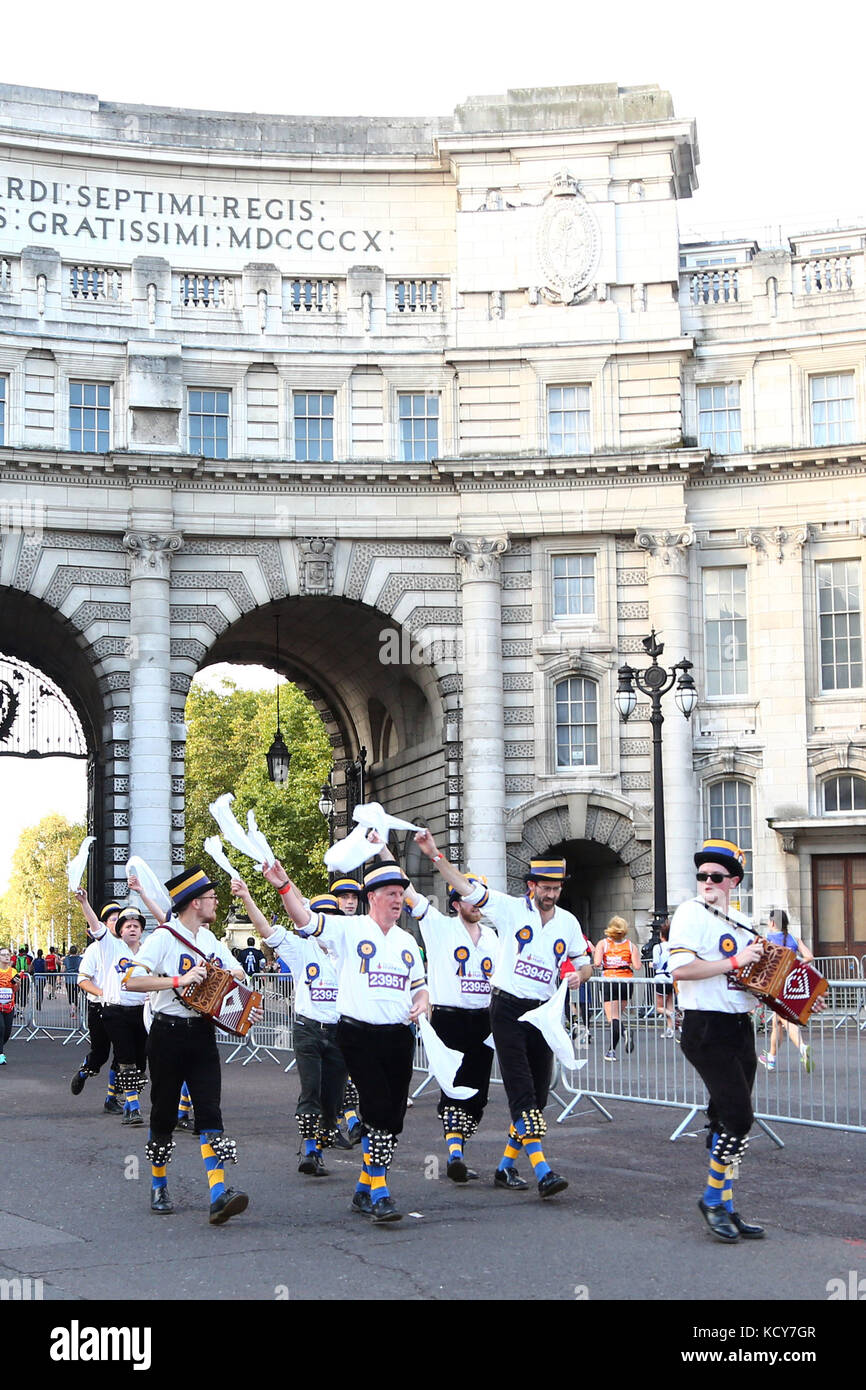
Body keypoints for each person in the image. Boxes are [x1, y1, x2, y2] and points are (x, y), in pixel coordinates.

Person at [415, 834, 591, 1199]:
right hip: (507, 1008)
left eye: (556, 888)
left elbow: (586, 963)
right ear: (531, 886)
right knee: (521, 1087)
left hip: (543, 1012)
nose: (551, 895)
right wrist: (435, 857)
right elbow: (468, 889)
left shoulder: (568, 923)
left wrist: (578, 975)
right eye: (545, 888)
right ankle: (542, 1170)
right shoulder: (511, 909)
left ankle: (506, 1166)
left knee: (540, 1093)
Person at [264, 856, 429, 1225]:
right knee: (376, 1110)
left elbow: (419, 989)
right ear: (372, 897)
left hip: (399, 1037)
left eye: (401, 893)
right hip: (358, 1034)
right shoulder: (349, 930)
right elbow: (305, 921)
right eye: (390, 893)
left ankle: (362, 1189)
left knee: (393, 1116)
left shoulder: (406, 941)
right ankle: (381, 1194)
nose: (398, 899)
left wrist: (421, 1004)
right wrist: (284, 884)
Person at [124, 866, 256, 1224]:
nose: (216, 902)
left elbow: (237, 972)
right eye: (212, 897)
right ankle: (158, 1183)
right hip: (166, 1034)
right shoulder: (163, 937)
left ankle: (217, 1193)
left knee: (210, 1110)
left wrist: (240, 1008)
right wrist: (179, 979)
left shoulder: (211, 940)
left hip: (202, 1035)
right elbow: (131, 982)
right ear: (195, 902)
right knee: (164, 1111)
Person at [668, 838, 770, 1243]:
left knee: (727, 1120)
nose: (707, 881)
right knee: (739, 1117)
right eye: (702, 875)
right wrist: (734, 961)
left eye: (716, 876)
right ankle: (711, 1200)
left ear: (734, 881)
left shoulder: (739, 921)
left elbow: (747, 982)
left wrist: (774, 978)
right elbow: (680, 969)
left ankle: (726, 1204)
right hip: (705, 1027)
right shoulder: (691, 913)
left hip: (739, 1025)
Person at [233, 877, 347, 1178]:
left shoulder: (350, 950)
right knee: (310, 1090)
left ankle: (322, 1145)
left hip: (340, 1033)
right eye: (321, 917)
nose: (327, 924)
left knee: (333, 1098)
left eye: (332, 918)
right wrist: (246, 896)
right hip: (308, 1029)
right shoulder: (301, 948)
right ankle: (310, 1150)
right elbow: (266, 932)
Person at [74, 892, 149, 1125]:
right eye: (125, 925)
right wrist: (85, 902)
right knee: (117, 1056)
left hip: (141, 1012)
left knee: (140, 1062)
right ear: (118, 929)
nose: (131, 929)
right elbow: (95, 926)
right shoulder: (108, 946)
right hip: (112, 1010)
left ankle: (125, 1100)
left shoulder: (149, 951)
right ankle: (132, 1107)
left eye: (136, 925)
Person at [70, 901, 124, 1113]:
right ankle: (85, 1072)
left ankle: (111, 1098)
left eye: (122, 919)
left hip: (123, 1009)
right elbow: (83, 980)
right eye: (114, 920)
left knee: (123, 1055)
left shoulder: (130, 946)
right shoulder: (95, 949)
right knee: (100, 1055)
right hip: (100, 1009)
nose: (119, 924)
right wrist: (104, 993)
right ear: (103, 924)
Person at [758, 909, 816, 1074]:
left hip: (774, 987)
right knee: (777, 1022)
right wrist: (794, 965)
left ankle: (802, 1047)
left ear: (773, 922)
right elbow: (809, 956)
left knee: (784, 1019)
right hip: (790, 985)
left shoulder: (767, 940)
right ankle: (771, 1057)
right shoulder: (793, 939)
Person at [594, 916, 641, 1061]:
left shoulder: (603, 944)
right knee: (617, 1017)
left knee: (612, 1018)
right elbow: (638, 966)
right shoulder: (631, 946)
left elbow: (596, 963)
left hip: (609, 980)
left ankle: (625, 1032)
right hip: (626, 981)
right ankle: (611, 1051)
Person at [651, 919, 677, 1038]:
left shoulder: (658, 947)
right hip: (672, 977)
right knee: (670, 1003)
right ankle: (670, 1029)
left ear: (662, 936)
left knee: (660, 1007)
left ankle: (673, 1015)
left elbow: (656, 962)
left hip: (661, 977)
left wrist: (652, 965)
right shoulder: (675, 947)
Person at [0, 947, 19, 1064]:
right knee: (0, 1028)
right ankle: (1, 1055)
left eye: (8, 954)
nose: (7, 957)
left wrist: (17, 983)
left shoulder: (13, 971)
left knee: (7, 1032)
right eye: (3, 955)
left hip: (9, 1005)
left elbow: (15, 989)